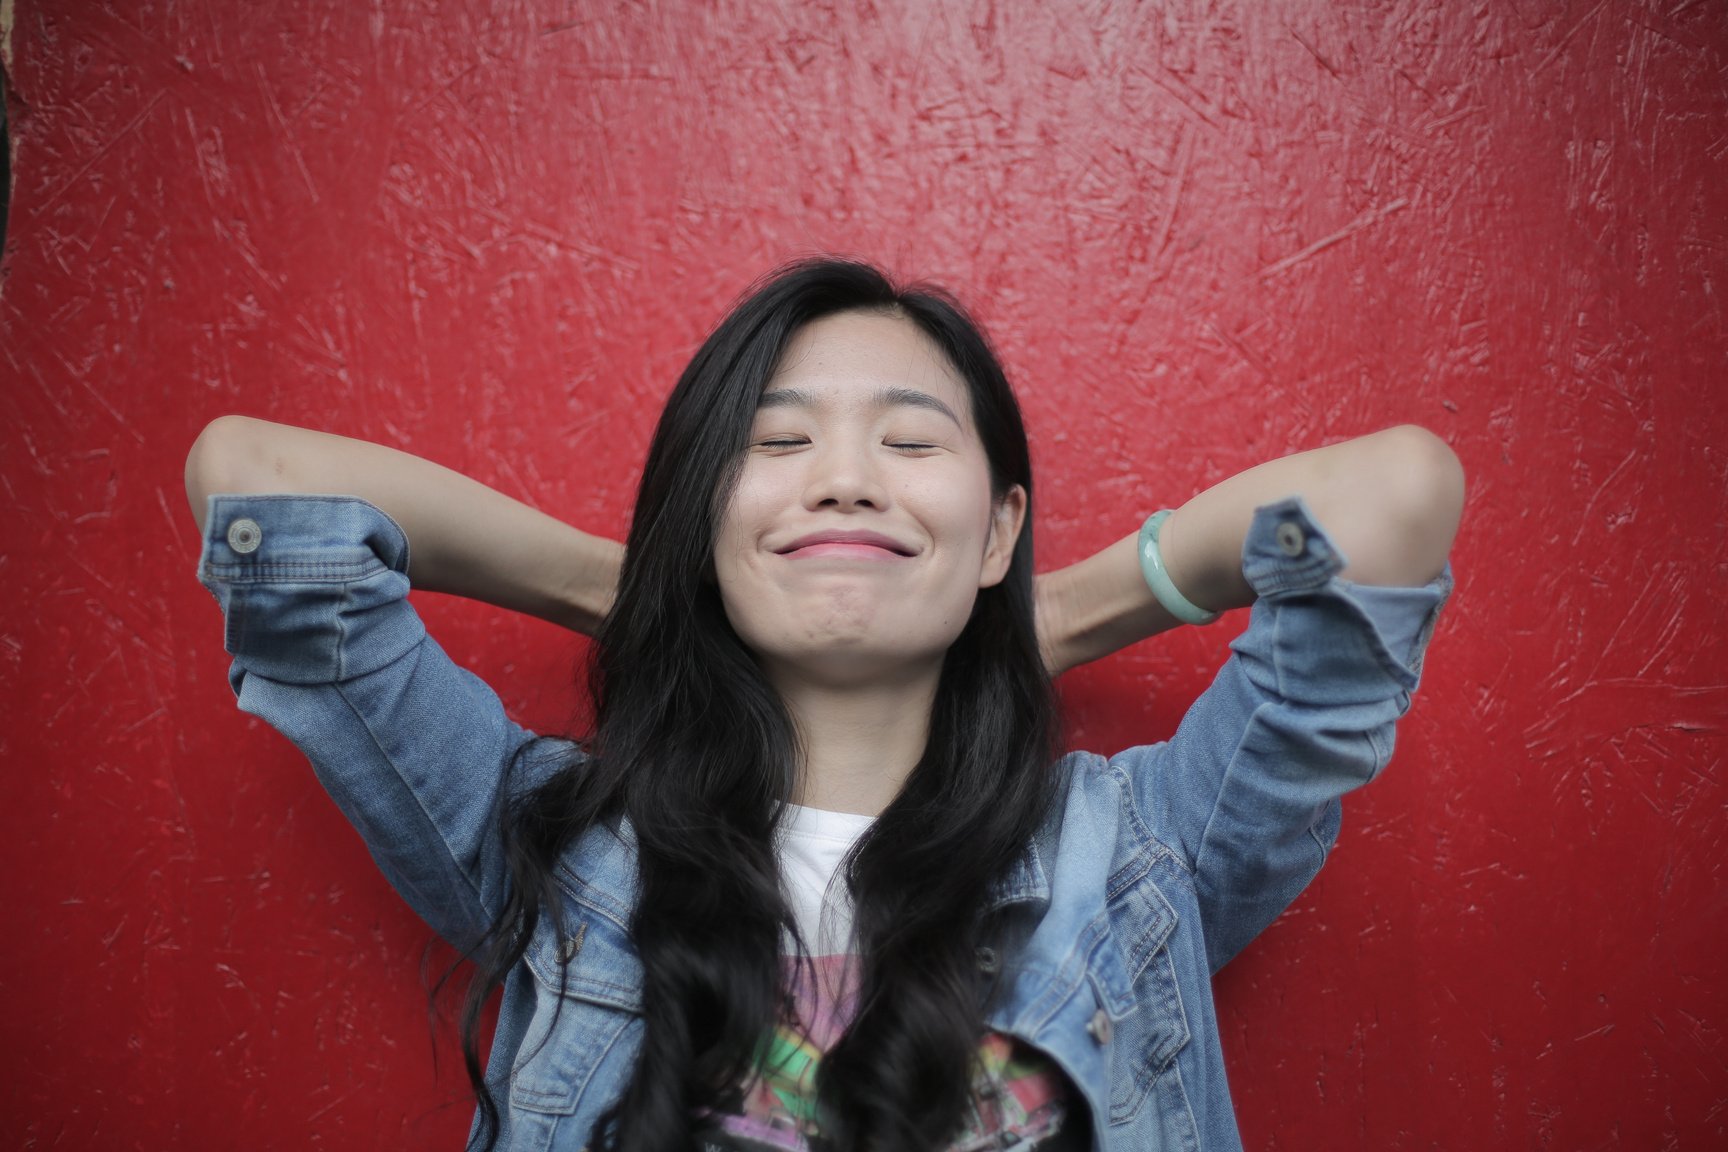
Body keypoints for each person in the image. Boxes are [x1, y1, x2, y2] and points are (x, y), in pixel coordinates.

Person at [186, 259, 1462, 1152]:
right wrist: (653, 592)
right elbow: (256, 480)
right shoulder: (548, 840)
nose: (846, 480)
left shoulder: (1142, 854)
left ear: (998, 525)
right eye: (778, 446)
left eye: (910, 445)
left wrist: (1037, 612)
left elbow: (1391, 503)